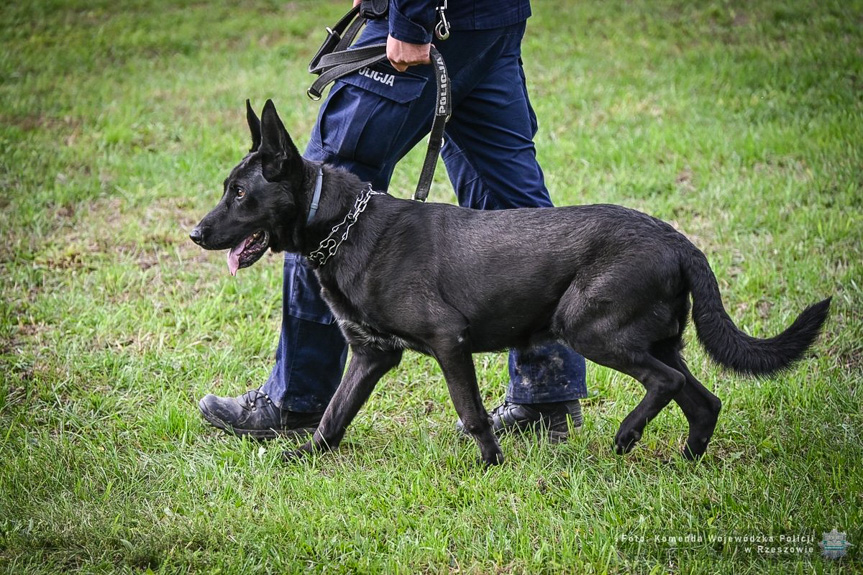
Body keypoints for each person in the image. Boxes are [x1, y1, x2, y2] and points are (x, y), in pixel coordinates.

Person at [198, 0, 587, 442]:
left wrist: (408, 18)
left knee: (310, 192)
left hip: (431, 19)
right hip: (493, 17)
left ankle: (296, 400)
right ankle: (545, 396)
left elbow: (306, 196)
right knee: (508, 196)